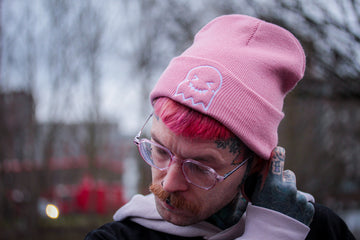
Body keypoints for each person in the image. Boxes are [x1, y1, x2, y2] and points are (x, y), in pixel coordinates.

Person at [85, 14, 355, 240]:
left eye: (200, 167)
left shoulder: (317, 230)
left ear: (259, 166)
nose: (169, 183)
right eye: (160, 151)